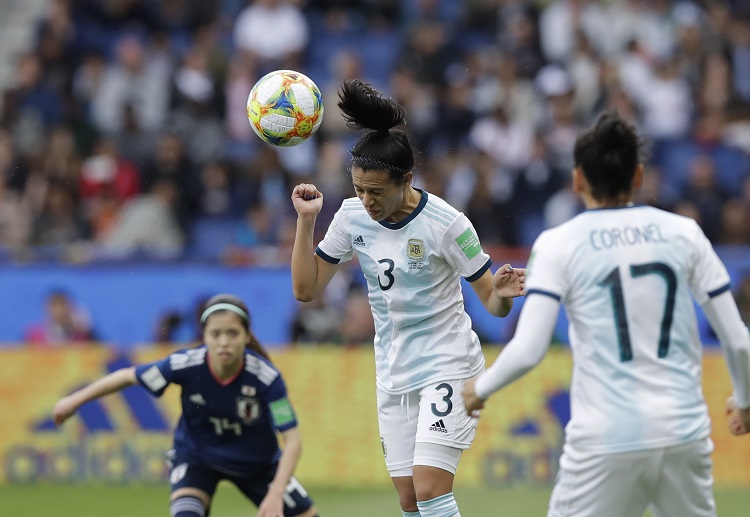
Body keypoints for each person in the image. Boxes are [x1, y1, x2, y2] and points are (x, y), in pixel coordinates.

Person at [462, 111, 750, 517]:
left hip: (606, 437)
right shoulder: (685, 233)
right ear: (638, 176)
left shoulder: (559, 243)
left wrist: (481, 387)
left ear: (578, 179)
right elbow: (737, 337)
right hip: (683, 431)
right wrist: (745, 399)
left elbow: (529, 348)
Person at [290, 79, 525, 517]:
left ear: (407, 180)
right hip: (393, 368)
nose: (367, 199)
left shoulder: (447, 224)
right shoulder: (352, 215)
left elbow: (491, 302)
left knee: (431, 489)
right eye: (359, 188)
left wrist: (504, 295)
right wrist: (307, 221)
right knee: (409, 500)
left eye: (376, 191)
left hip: (447, 362)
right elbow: (306, 290)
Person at [53, 294, 318, 517]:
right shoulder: (185, 364)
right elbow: (127, 376)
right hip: (197, 457)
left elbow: (293, 442)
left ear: (246, 335)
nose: (224, 341)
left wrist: (275, 492)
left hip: (258, 466)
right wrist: (75, 400)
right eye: (216, 334)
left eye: (232, 333)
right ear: (204, 336)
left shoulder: (266, 377)